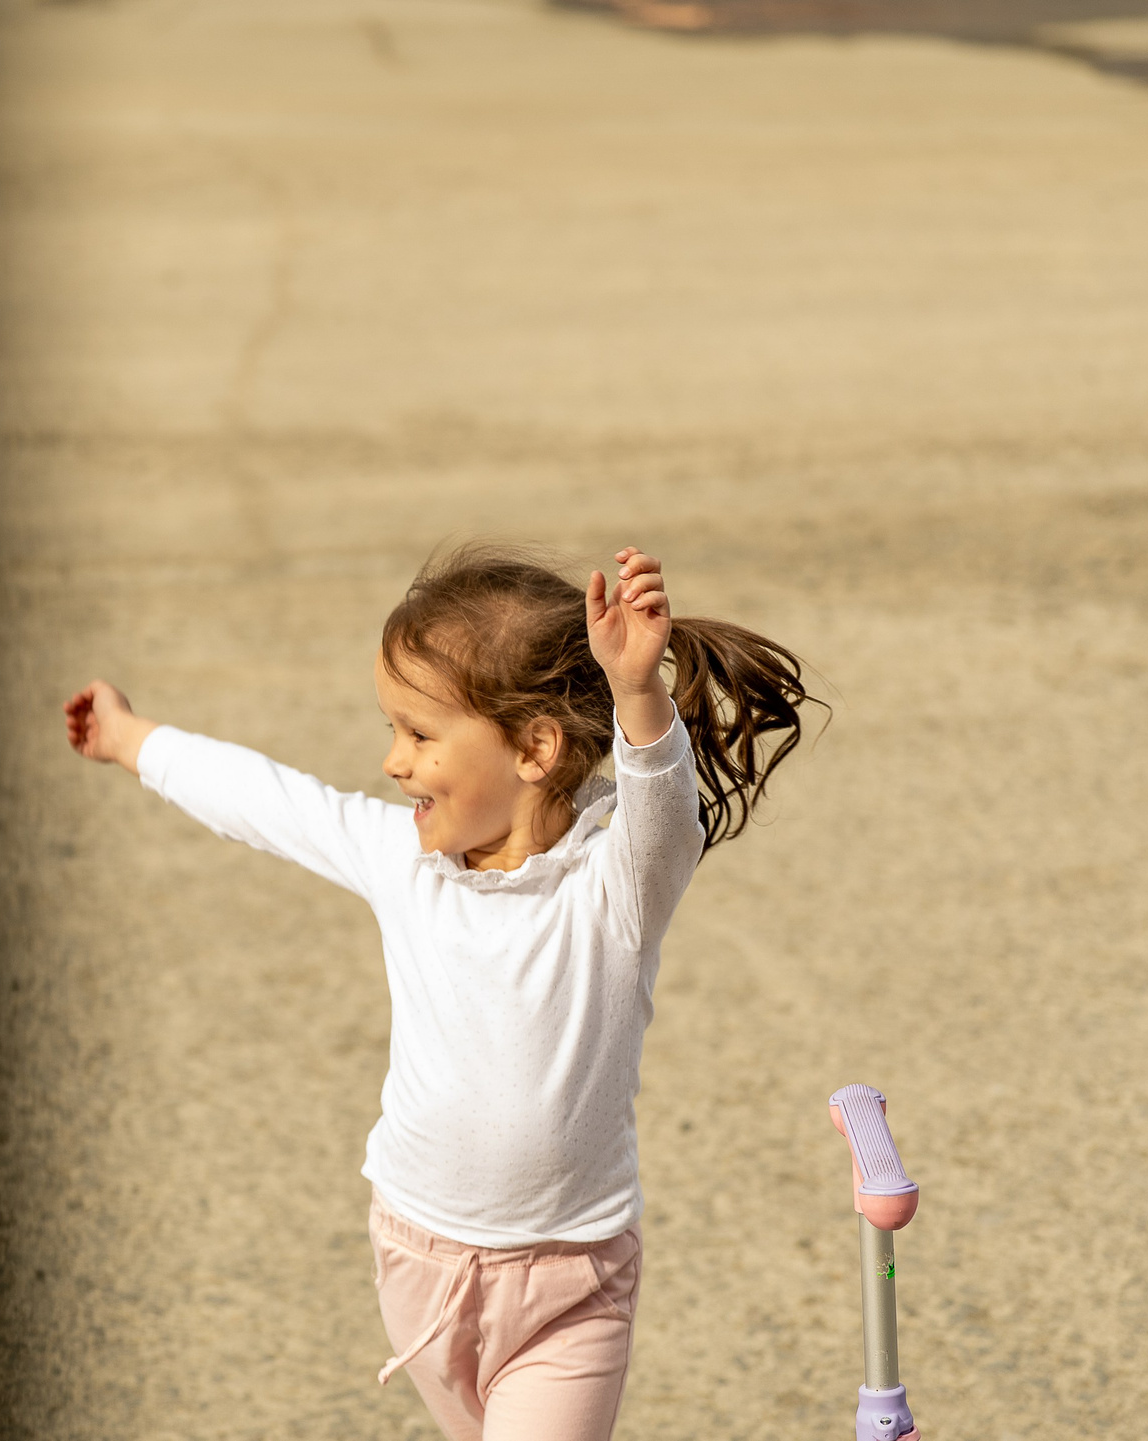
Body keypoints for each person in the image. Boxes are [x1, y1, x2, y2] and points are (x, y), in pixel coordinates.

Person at [62, 543, 818, 1441]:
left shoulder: (616, 885)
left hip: (569, 1289)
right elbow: (265, 797)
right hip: (416, 1262)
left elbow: (663, 806)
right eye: (393, 730)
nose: (392, 761)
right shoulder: (403, 862)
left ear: (535, 748)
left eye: (420, 735)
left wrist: (638, 694)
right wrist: (129, 737)